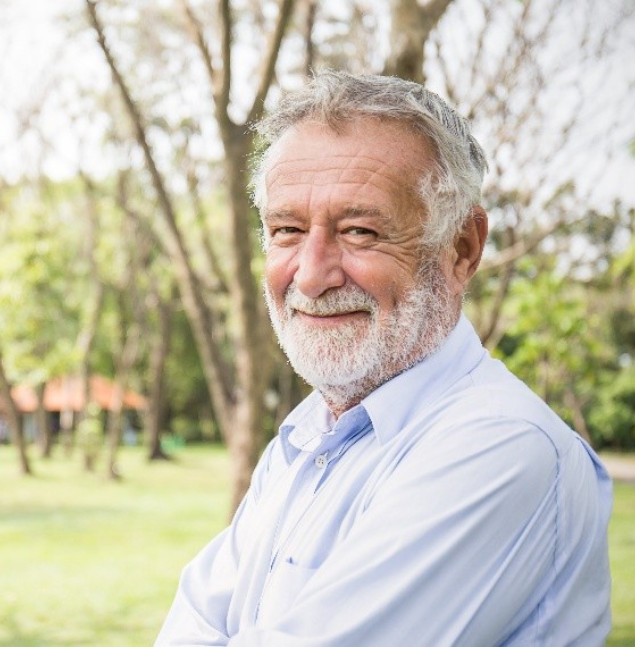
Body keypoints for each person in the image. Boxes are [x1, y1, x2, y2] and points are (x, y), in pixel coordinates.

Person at [155, 71, 612, 646]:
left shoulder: (500, 445)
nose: (313, 275)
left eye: (361, 231)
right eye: (288, 230)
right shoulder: (304, 442)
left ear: (461, 247)